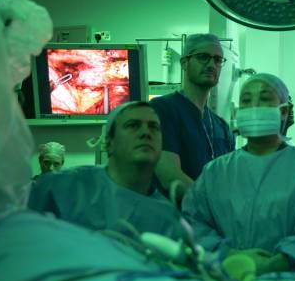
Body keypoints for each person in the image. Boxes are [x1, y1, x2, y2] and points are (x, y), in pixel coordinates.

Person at [182, 73, 295, 275]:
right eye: (246, 101)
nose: (254, 106)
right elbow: (193, 224)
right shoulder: (216, 172)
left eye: (264, 99)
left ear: (284, 111)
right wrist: (230, 256)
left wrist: (278, 263)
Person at [28, 102, 185, 239]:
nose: (146, 132)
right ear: (109, 143)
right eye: (133, 125)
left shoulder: (168, 219)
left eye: (154, 127)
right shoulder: (62, 188)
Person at [150, 33, 235, 201]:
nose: (211, 64)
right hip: (171, 219)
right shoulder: (163, 110)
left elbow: (227, 180)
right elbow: (170, 177)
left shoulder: (222, 127)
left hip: (211, 222)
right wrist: (213, 208)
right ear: (184, 63)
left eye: (218, 60)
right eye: (203, 57)